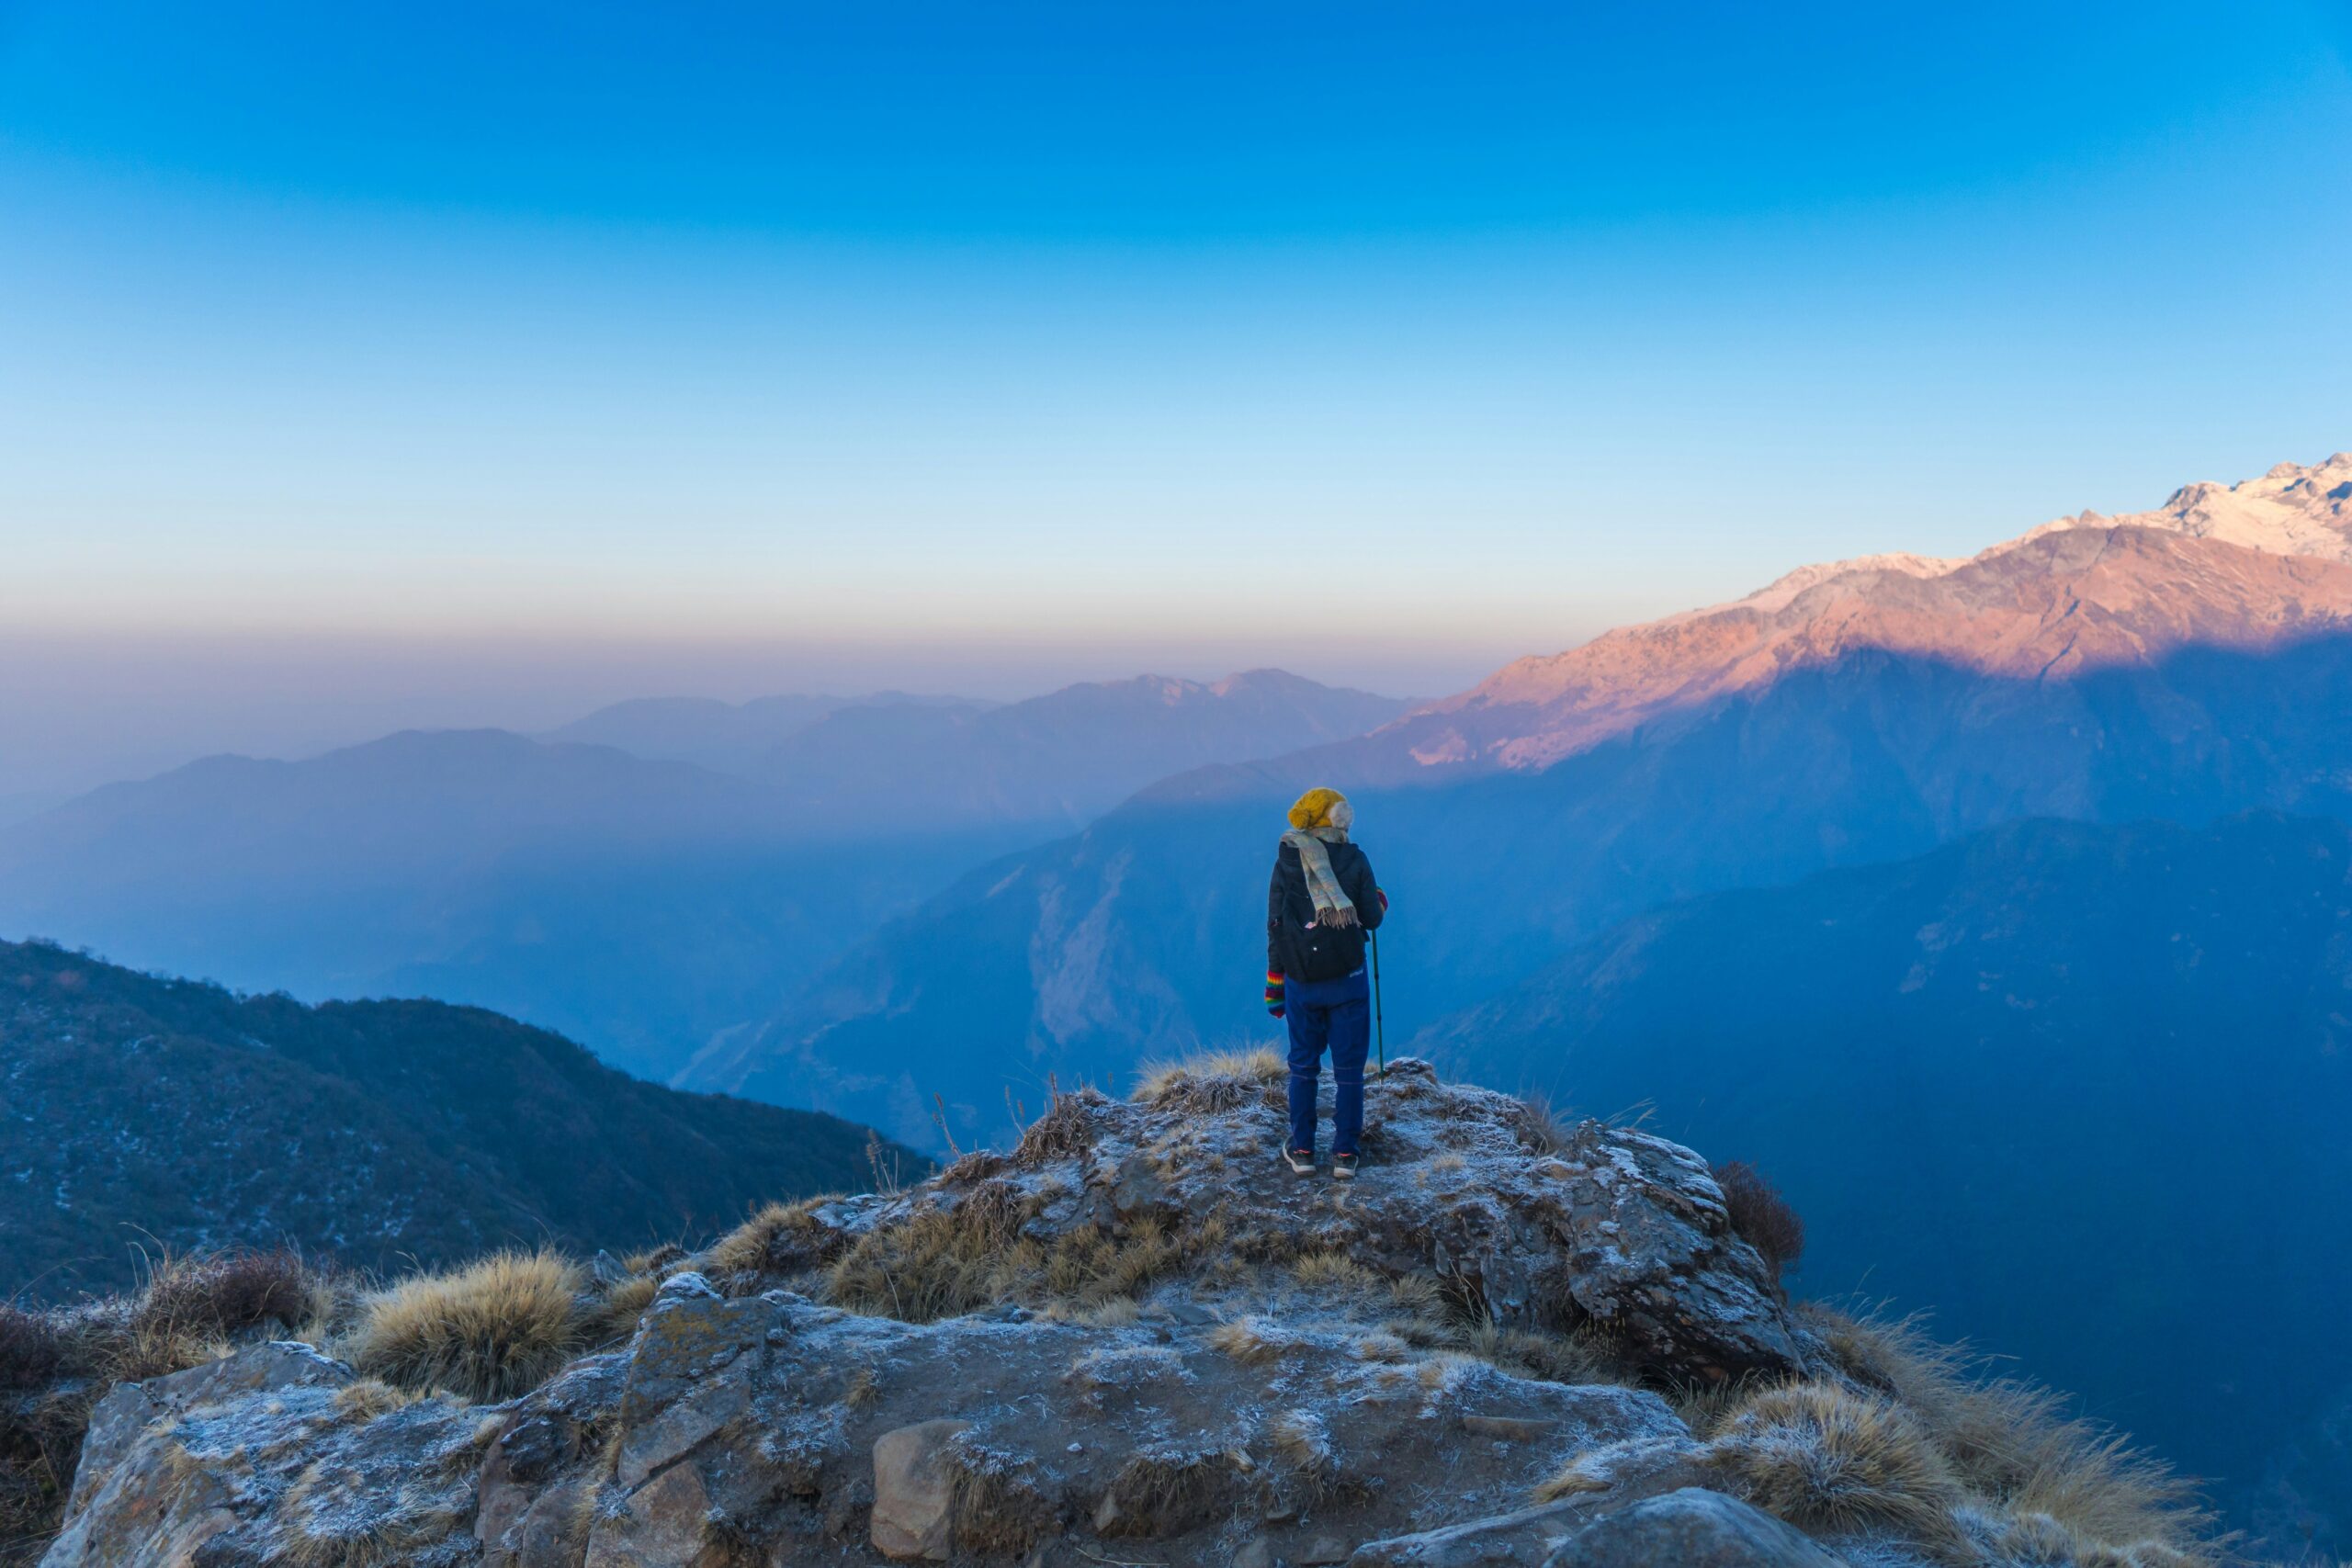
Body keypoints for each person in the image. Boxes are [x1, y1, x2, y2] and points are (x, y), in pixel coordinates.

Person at [1263, 786, 1386, 1178]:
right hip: (1348, 980)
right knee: (1349, 1070)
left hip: (1301, 981)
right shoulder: (1354, 858)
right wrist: (1380, 899)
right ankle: (1345, 1155)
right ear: (1333, 819)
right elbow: (1371, 918)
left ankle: (1302, 1150)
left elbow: (1276, 923)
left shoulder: (1286, 858)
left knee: (1303, 1065)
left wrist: (1275, 983)